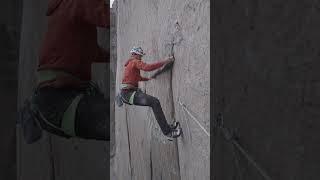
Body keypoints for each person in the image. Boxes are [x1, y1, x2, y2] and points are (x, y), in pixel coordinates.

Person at [22, 0, 110, 142]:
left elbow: (88, 51)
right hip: (58, 102)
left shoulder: (64, 11)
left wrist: (112, 56)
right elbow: (111, 16)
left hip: (54, 102)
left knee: (121, 121)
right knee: (121, 119)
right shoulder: (75, 3)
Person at [119, 47, 182, 139]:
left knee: (155, 103)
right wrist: (165, 61)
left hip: (127, 94)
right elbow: (147, 67)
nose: (141, 58)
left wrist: (148, 79)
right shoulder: (134, 62)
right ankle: (168, 133)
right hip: (129, 94)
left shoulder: (130, 64)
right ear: (135, 54)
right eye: (140, 56)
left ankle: (167, 128)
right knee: (154, 102)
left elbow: (136, 78)